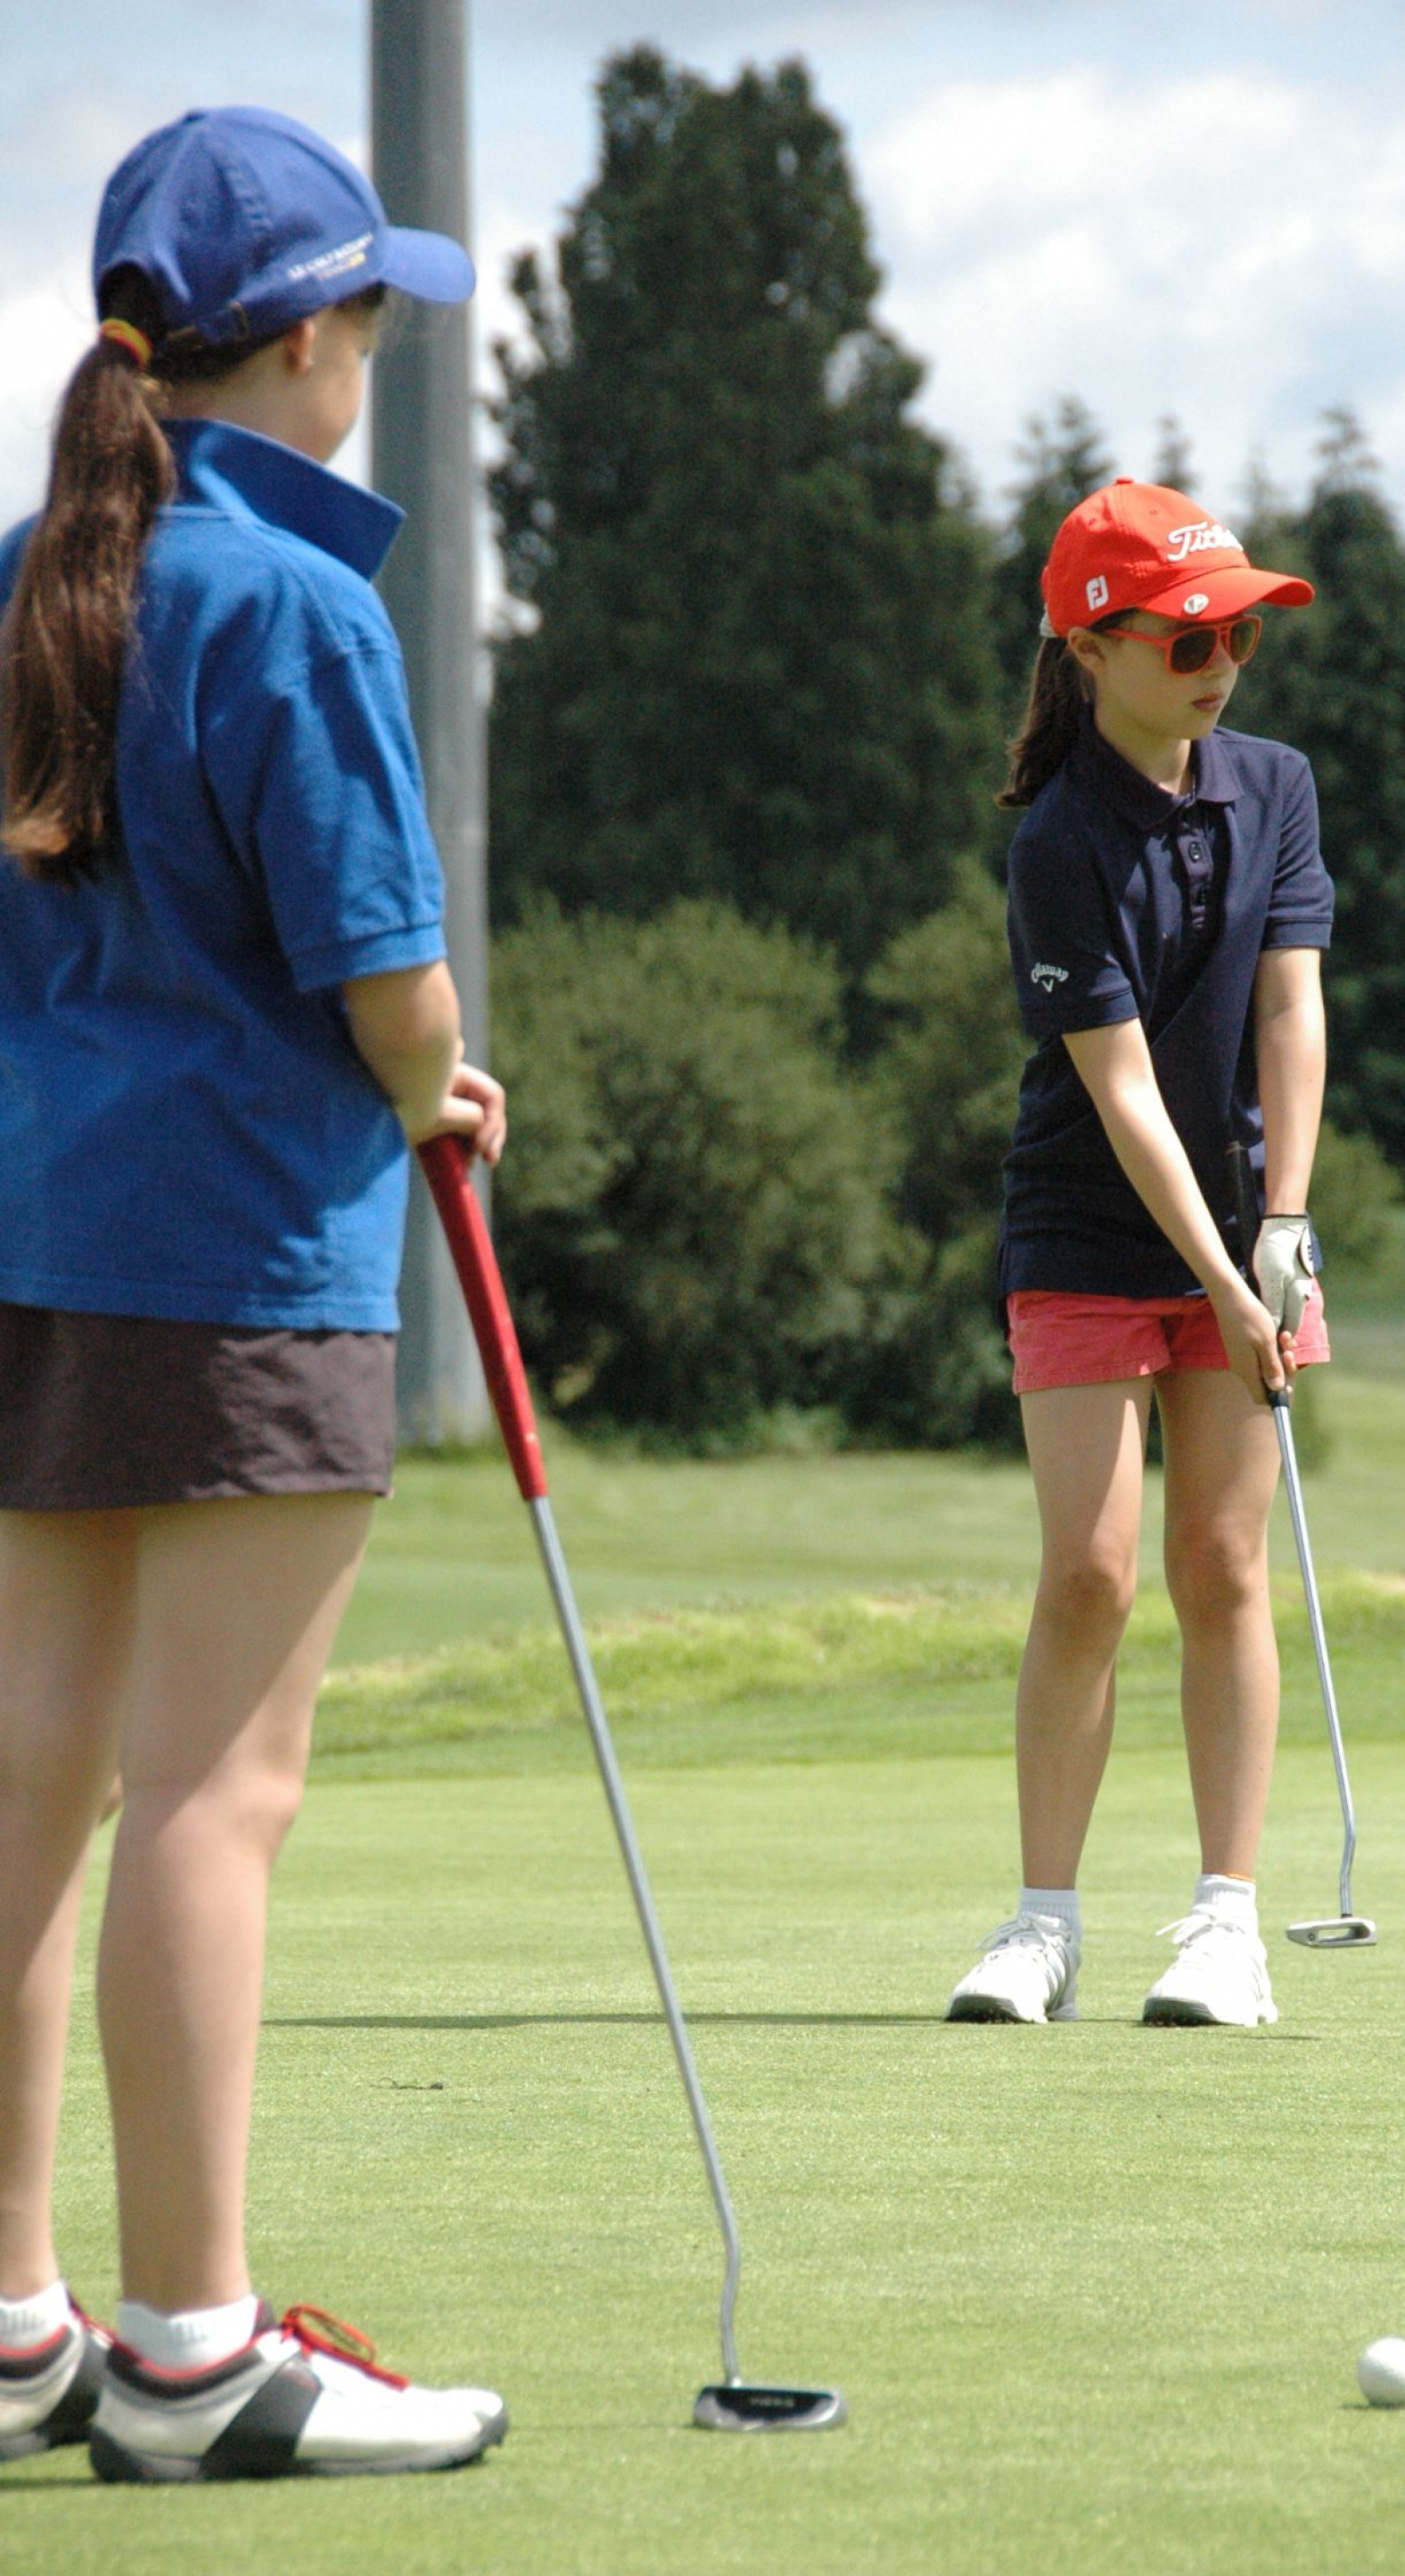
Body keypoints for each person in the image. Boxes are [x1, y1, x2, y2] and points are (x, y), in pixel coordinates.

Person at [0, 107, 509, 2481]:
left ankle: (18, 2325)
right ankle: (196, 2357)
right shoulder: (300, 605)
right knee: (213, 1789)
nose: (368, 360)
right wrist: (447, 1091)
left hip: (34, 1255)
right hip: (243, 1263)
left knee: (36, 1778)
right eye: (366, 322)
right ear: (309, 337)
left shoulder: (24, 576)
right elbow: (387, 978)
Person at [947, 479, 1333, 2032]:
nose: (1220, 660)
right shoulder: (1059, 838)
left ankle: (1225, 1924)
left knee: (1224, 1564)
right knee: (1093, 1572)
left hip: (1255, 1220)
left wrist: (1285, 1231)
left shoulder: (1277, 784)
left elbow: (1290, 1008)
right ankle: (1044, 1922)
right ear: (1092, 647)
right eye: (1187, 636)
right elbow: (1120, 1092)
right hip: (1091, 1226)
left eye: (1235, 629)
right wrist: (1227, 1279)